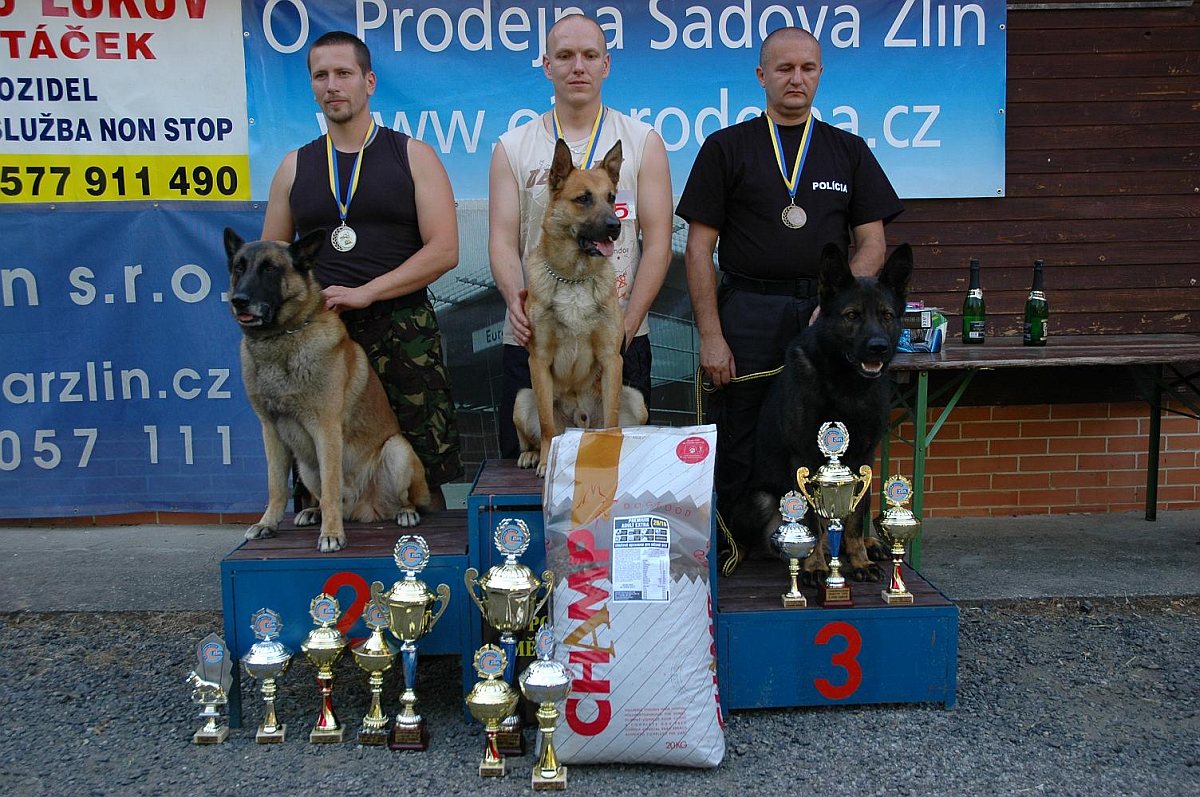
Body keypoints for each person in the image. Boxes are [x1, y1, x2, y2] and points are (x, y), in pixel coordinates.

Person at [676, 26, 903, 522]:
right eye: (784, 68)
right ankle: (740, 546)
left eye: (807, 68)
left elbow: (873, 244)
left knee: (838, 435)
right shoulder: (726, 147)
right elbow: (698, 250)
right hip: (749, 311)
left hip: (828, 321)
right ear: (762, 76)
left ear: (820, 74)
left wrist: (838, 304)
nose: (796, 78)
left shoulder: (848, 150)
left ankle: (831, 543)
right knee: (742, 434)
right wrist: (711, 336)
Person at [261, 30, 462, 509]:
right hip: (317, 338)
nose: (332, 85)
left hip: (403, 334)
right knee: (316, 467)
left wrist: (369, 291)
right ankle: (325, 550)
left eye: (343, 73)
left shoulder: (413, 155)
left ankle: (424, 554)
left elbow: (444, 250)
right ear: (312, 86)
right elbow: (270, 261)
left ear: (368, 82)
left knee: (420, 476)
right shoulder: (294, 167)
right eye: (321, 76)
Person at [488, 13, 673, 458]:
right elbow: (501, 240)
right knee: (534, 475)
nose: (578, 67)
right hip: (536, 333)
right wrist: (516, 301)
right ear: (547, 64)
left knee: (616, 472)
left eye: (590, 56)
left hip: (619, 329)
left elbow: (659, 243)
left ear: (605, 64)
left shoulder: (642, 141)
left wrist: (627, 324)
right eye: (565, 56)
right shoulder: (512, 146)